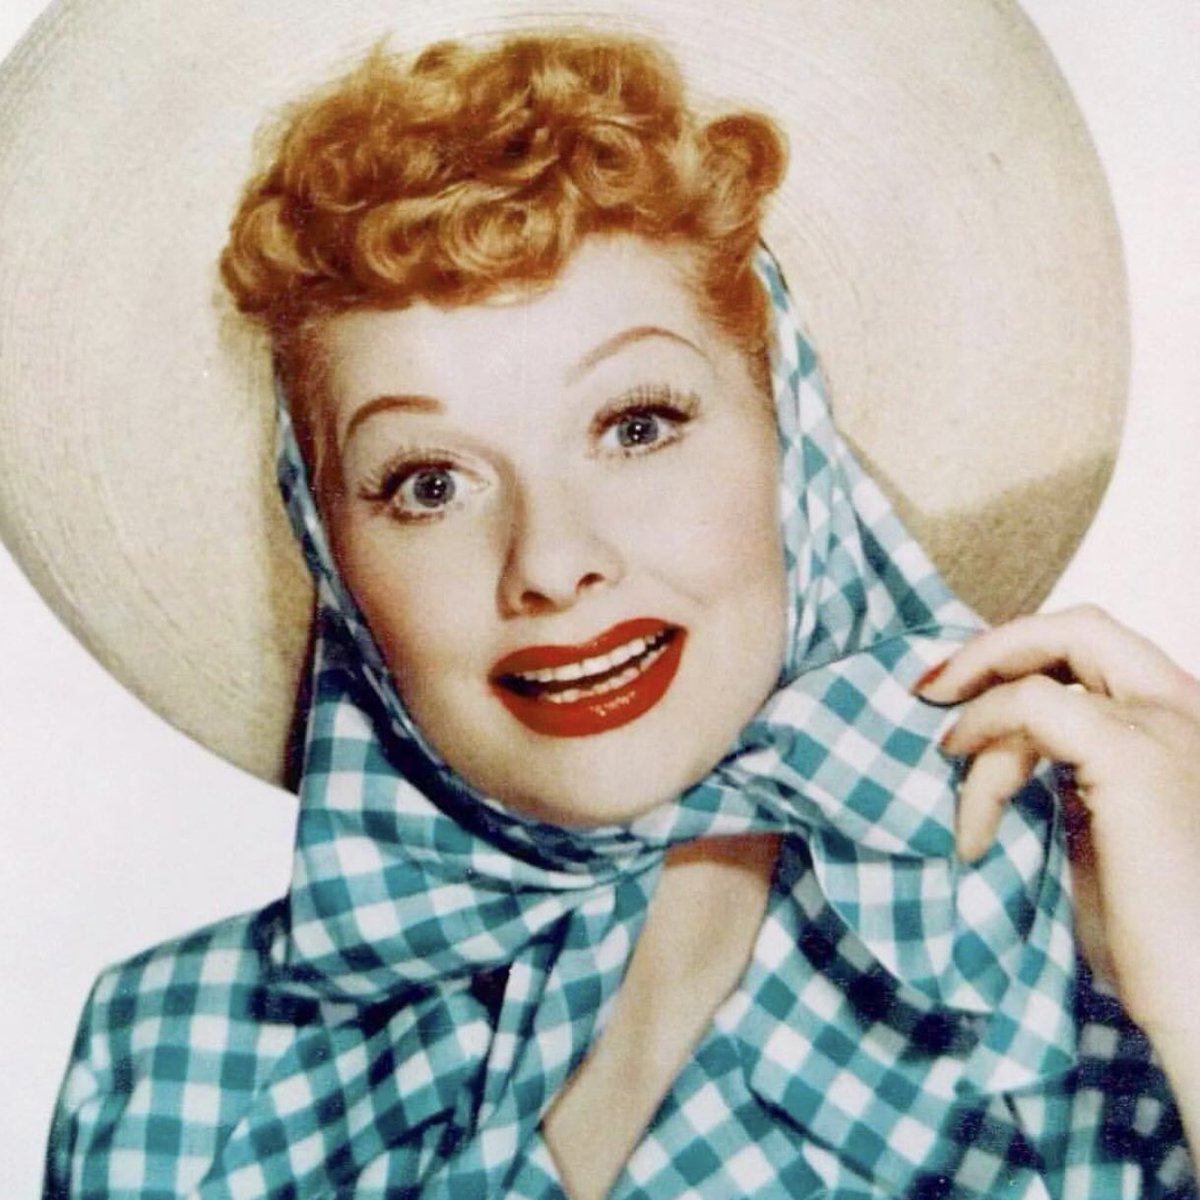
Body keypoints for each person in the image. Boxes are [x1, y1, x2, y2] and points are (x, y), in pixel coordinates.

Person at [30, 21, 1200, 1200]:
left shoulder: (1115, 958)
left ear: (794, 442)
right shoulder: (169, 1064)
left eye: (636, 426)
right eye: (428, 484)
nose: (551, 562)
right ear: (332, 555)